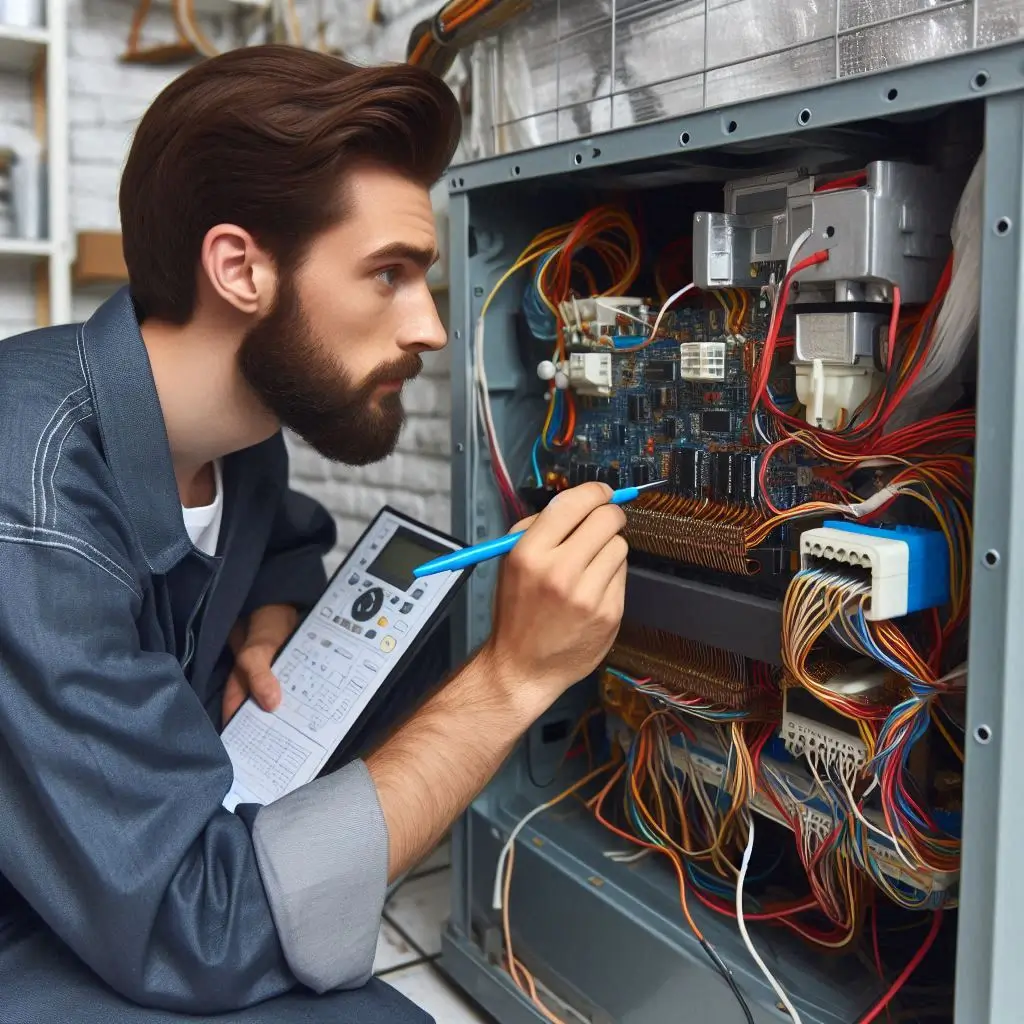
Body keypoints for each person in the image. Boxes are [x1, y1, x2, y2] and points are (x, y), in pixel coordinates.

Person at [0, 44, 628, 1024]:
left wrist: (266, 615)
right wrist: (514, 675)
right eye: (388, 275)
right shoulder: (30, 509)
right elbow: (199, 925)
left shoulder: (241, 438)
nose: (428, 326)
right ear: (239, 267)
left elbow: (282, 539)